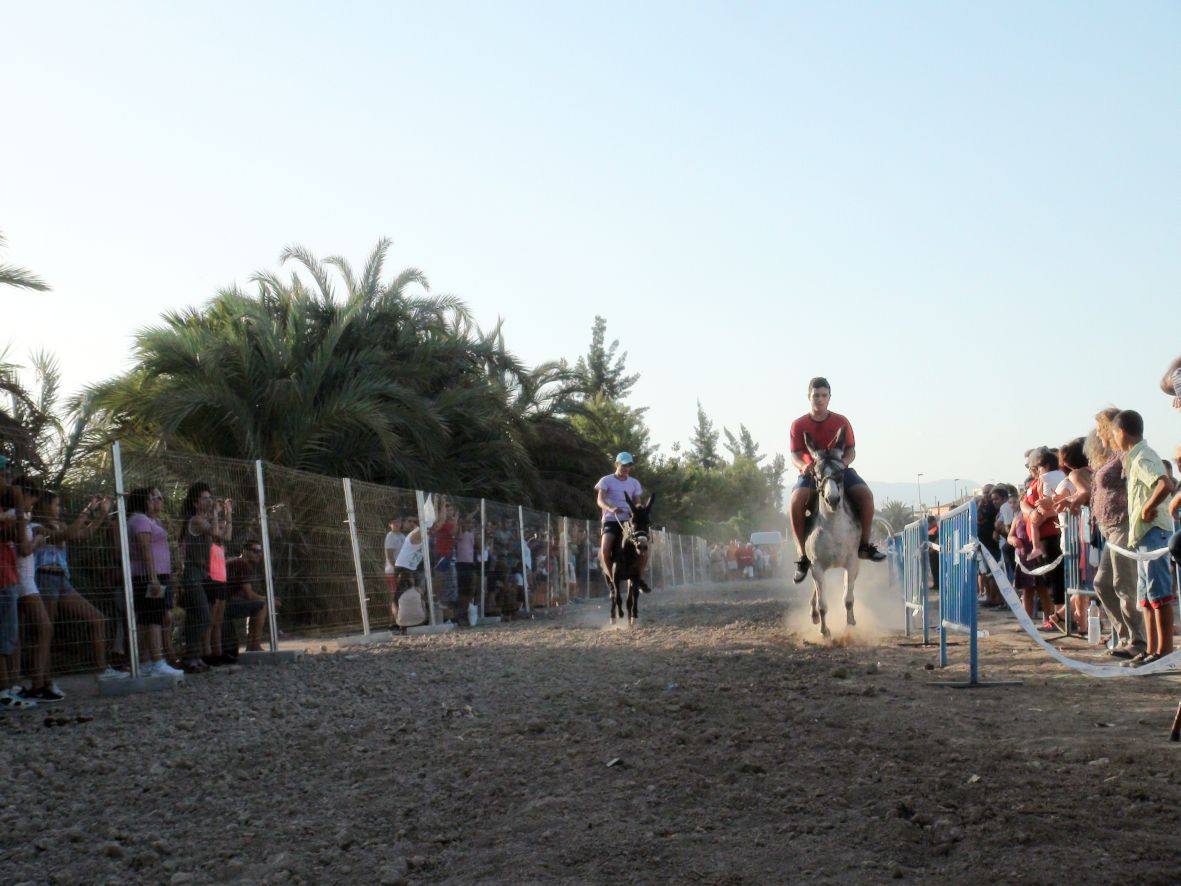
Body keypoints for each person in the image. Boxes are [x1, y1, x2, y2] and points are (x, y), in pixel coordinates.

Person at [788, 377, 886, 583]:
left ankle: (864, 546)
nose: (820, 399)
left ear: (829, 398)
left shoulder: (841, 421)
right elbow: (795, 453)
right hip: (811, 472)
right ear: (809, 397)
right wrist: (803, 466)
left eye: (824, 395)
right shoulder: (798, 425)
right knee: (795, 501)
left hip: (838, 469)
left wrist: (844, 463)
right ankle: (802, 556)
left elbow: (851, 450)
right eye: (816, 396)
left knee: (866, 495)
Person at [32, 491, 125, 680]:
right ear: (44, 506)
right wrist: (88, 510)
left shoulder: (62, 525)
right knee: (46, 631)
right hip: (45, 578)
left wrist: (101, 514)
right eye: (56, 505)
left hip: (63, 581)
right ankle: (43, 679)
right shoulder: (36, 527)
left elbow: (84, 533)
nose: (60, 509)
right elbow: (65, 535)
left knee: (98, 619)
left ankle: (102, 669)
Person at [1111, 410, 1176, 665]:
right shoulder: (1134, 458)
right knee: (1146, 597)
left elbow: (1165, 484)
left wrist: (1149, 507)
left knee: (1159, 594)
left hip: (1154, 532)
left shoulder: (1143, 457)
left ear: (1122, 432)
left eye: (1114, 433)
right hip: (1142, 535)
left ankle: (1164, 652)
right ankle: (1151, 650)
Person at [1086, 411, 1146, 659]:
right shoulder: (1111, 457)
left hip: (1123, 525)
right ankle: (1125, 636)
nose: (1098, 434)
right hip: (1110, 529)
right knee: (1102, 583)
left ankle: (1138, 640)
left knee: (1125, 584)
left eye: (1100, 429)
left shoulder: (1126, 455)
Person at [127, 487, 184, 677]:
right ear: (143, 500)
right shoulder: (140, 520)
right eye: (151, 499)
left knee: (148, 617)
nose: (155, 502)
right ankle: (157, 661)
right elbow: (145, 549)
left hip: (153, 575)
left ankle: (146, 662)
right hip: (149, 576)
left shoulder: (144, 520)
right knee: (154, 617)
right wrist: (153, 578)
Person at [178, 482, 233, 673]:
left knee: (196, 617)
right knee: (204, 615)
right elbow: (217, 532)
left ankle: (194, 657)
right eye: (205, 498)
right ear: (195, 503)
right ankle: (189, 656)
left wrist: (228, 514)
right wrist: (217, 514)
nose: (209, 501)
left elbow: (226, 537)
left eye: (211, 498)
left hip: (203, 573)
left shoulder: (205, 519)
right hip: (193, 572)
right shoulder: (196, 521)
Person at [0, 465, 36, 709]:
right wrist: (19, 507)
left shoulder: (6, 511)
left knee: (9, 636)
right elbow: (23, 543)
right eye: (4, 475)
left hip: (8, 575)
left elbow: (18, 536)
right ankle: (3, 692)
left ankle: (9, 688)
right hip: (3, 577)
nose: (9, 480)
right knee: (4, 638)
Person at [595, 452, 645, 581]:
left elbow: (638, 503)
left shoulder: (634, 483)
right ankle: (612, 577)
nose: (626, 468)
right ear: (616, 464)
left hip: (629, 522)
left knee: (644, 546)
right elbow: (600, 500)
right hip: (611, 520)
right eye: (623, 465)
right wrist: (611, 509)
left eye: (628, 465)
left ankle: (639, 577)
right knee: (605, 549)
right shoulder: (606, 480)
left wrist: (635, 511)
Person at [222, 540, 271, 656]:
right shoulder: (243, 564)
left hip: (221, 603)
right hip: (224, 606)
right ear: (245, 551)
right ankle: (254, 645)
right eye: (255, 551)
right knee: (262, 604)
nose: (259, 554)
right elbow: (249, 595)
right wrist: (268, 599)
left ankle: (252, 644)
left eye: (260, 552)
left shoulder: (236, 561)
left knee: (257, 602)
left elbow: (244, 594)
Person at [383, 517, 406, 600]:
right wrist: (397, 569)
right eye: (394, 522)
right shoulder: (390, 536)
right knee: (394, 595)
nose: (397, 524)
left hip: (402, 569)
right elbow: (389, 555)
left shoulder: (402, 536)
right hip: (392, 571)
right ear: (390, 524)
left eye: (398, 521)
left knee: (402, 594)